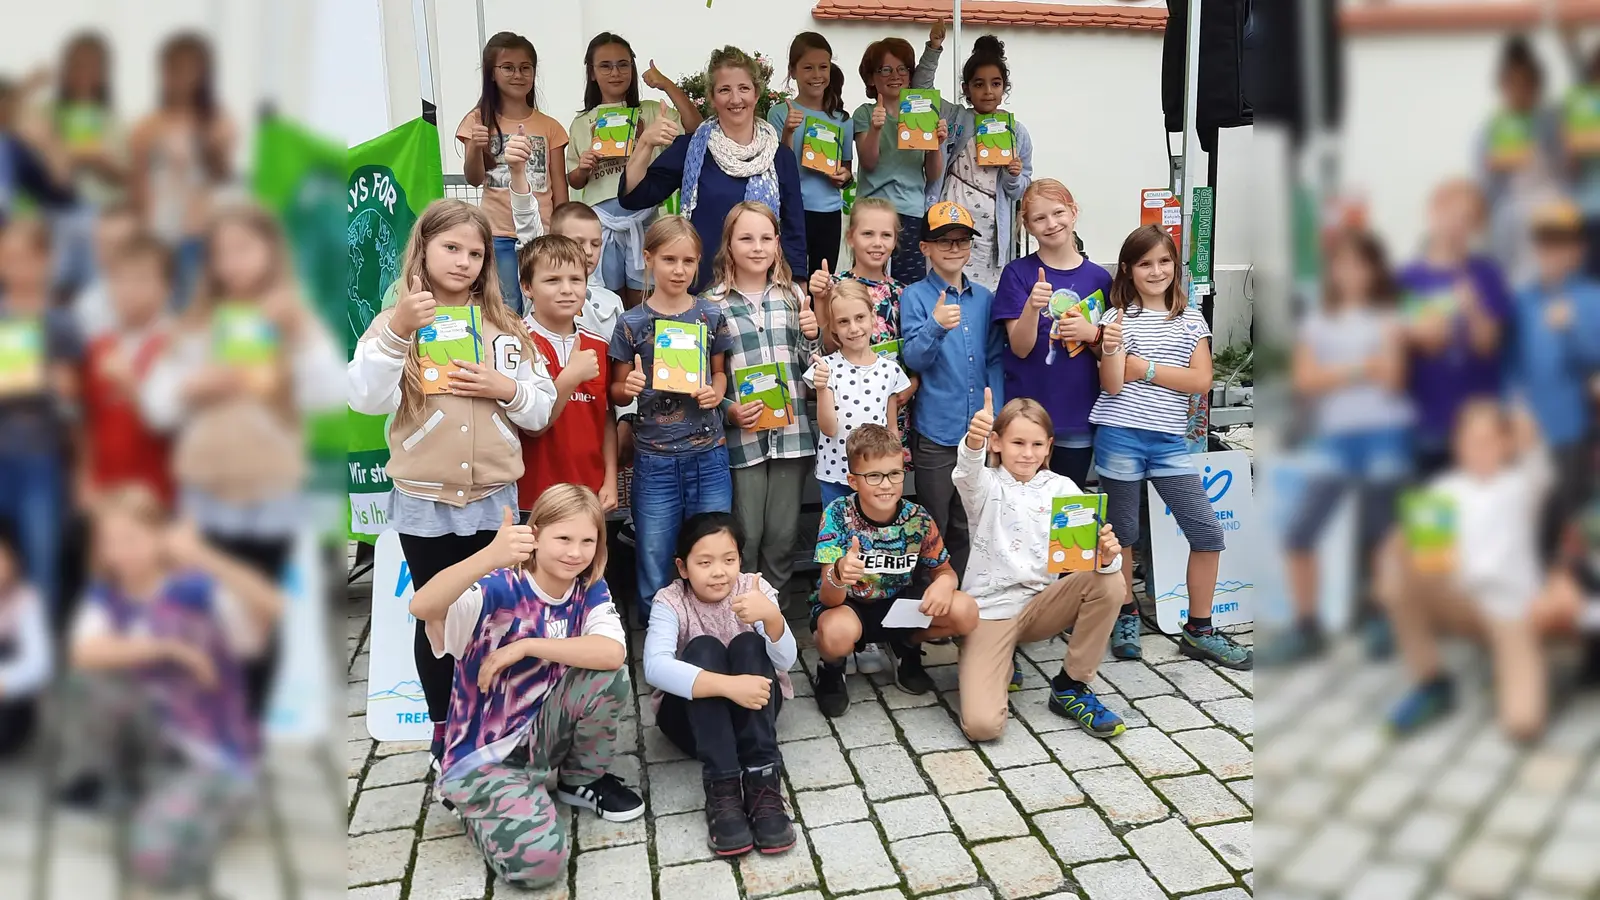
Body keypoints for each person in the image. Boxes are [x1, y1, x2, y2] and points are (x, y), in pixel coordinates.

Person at [348, 199, 558, 773]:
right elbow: (364, 398)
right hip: (424, 502)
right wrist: (396, 333)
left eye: (475, 252)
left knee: (497, 616)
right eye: (451, 248)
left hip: (494, 502)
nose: (464, 261)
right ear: (424, 250)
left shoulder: (507, 328)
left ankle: (501, 726)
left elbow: (540, 410)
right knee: (438, 619)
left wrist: (504, 388)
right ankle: (447, 736)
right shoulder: (396, 326)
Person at [139, 203, 344, 716]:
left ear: (271, 253)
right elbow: (156, 404)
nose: (233, 263)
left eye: (245, 249)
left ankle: (245, 725)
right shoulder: (196, 324)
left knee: (257, 613)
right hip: (206, 487)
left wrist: (298, 333)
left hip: (271, 489)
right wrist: (195, 385)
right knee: (202, 611)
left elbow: (329, 395)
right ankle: (201, 724)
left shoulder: (293, 317)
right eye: (221, 252)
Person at [408, 486, 644, 887]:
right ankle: (474, 804)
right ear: (535, 535)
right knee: (540, 867)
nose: (576, 552)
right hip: (485, 756)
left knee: (608, 677)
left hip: (540, 735)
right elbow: (423, 607)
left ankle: (580, 780)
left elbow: (611, 654)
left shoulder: (588, 586)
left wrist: (527, 646)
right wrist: (488, 557)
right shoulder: (500, 587)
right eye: (564, 538)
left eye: (588, 540)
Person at [63, 486, 282, 890]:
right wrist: (170, 648)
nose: (119, 552)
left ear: (160, 537)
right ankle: (130, 785)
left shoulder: (197, 592)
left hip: (211, 752)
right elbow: (82, 653)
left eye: (131, 538)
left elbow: (269, 606)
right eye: (109, 542)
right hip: (155, 737)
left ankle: (203, 805)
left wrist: (201, 555)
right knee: (87, 684)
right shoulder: (108, 596)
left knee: (153, 863)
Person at [1092, 225, 1252, 669]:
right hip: (1120, 434)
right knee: (1122, 534)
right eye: (1145, 263)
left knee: (1206, 532)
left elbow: (1201, 381)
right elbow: (1110, 382)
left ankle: (1199, 629)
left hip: (1168, 443)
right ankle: (1124, 612)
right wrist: (1114, 354)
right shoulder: (1115, 318)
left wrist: (1142, 367)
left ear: (1175, 267)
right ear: (1128, 269)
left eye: (1164, 262)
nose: (1156, 270)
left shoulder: (1191, 318)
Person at [1270, 229, 1414, 663]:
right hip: (1335, 440)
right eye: (1342, 264)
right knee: (1300, 533)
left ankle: (1384, 617)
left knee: (1381, 536)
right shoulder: (1317, 321)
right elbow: (1305, 381)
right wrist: (1361, 367)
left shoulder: (1389, 318)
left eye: (1359, 263)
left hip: (1385, 434)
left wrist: (1336, 371)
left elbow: (1393, 378)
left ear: (1374, 269)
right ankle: (1306, 625)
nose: (1349, 272)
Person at [1377, 402, 1559, 740]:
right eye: (1471, 441)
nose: (1480, 450)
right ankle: (1431, 683)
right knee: (1399, 561)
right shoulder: (1446, 489)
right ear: (1458, 445)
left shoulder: (1522, 484)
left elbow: (1533, 446)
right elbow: (1430, 559)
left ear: (1506, 444)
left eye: (1489, 441)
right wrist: (1402, 555)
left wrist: (1520, 416)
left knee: (1523, 724)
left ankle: (1507, 668)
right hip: (1460, 600)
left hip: (1510, 613)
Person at [953, 395, 1126, 740]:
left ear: (1048, 447)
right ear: (998, 443)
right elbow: (967, 470)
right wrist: (974, 440)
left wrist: (1107, 557)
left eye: (1036, 444)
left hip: (1041, 604)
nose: (1027, 453)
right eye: (1017, 442)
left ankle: (1070, 686)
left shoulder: (1061, 488)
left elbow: (1089, 553)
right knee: (982, 726)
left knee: (1111, 581)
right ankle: (991, 654)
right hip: (990, 611)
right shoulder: (986, 485)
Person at [643, 512, 797, 856]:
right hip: (692, 724)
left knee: (748, 644)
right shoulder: (671, 600)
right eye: (705, 562)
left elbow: (786, 662)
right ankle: (723, 787)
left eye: (729, 560)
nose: (719, 571)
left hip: (755, 711)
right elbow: (654, 667)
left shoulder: (754, 590)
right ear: (683, 567)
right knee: (703, 648)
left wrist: (771, 616)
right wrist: (728, 687)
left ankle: (763, 781)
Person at [607, 216, 733, 621]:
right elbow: (614, 390)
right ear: (648, 259)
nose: (679, 270)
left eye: (688, 261)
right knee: (655, 553)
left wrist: (716, 389)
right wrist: (629, 387)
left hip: (708, 455)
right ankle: (659, 637)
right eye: (669, 260)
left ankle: (710, 627)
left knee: (711, 547)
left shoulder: (709, 316)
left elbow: (719, 371)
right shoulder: (631, 322)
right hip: (655, 460)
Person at [810, 424, 980, 716]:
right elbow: (829, 599)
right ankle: (831, 668)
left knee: (965, 610)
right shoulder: (837, 514)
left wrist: (944, 583)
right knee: (835, 631)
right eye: (874, 476)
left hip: (899, 605)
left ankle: (906, 647)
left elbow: (946, 571)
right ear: (853, 480)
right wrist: (838, 574)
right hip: (851, 606)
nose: (886, 484)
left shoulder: (918, 517)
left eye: (894, 474)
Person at [619, 46, 805, 293]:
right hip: (701, 290)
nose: (735, 99)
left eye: (744, 88)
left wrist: (800, 291)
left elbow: (794, 230)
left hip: (763, 293)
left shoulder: (780, 157)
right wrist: (646, 143)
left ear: (756, 93)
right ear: (712, 97)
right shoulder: (692, 149)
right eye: (725, 90)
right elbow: (634, 197)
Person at [707, 202, 819, 600]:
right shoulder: (711, 305)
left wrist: (813, 335)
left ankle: (775, 617)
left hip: (792, 436)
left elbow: (813, 369)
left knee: (782, 536)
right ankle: (739, 614)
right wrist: (728, 411)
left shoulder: (794, 297)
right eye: (746, 238)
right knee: (747, 533)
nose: (757, 247)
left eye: (766, 238)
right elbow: (704, 377)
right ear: (729, 245)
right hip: (744, 436)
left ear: (777, 244)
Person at [901, 200, 1001, 579]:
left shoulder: (985, 299)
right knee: (934, 522)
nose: (955, 248)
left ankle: (958, 597)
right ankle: (928, 599)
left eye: (962, 240)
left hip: (977, 432)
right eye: (944, 241)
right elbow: (914, 359)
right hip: (936, 433)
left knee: (966, 521)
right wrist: (936, 325)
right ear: (924, 247)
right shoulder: (915, 297)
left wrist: (997, 418)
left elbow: (994, 359)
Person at [566, 32, 702, 307]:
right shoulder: (582, 123)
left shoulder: (651, 111)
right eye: (605, 66)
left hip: (646, 219)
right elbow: (575, 181)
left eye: (623, 64)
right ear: (592, 72)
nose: (615, 72)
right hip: (602, 225)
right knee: (606, 303)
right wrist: (584, 167)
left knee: (646, 301)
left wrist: (665, 84)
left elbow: (696, 129)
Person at [993, 179, 1109, 486]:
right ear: (1027, 226)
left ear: (1073, 213)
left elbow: (1108, 351)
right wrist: (1032, 306)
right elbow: (1019, 347)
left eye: (1058, 213)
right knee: (1019, 507)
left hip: (1077, 416)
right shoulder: (1017, 273)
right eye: (1039, 218)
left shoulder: (1100, 278)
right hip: (1025, 421)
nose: (1051, 223)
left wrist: (1091, 334)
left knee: (1064, 509)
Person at [1396, 179, 1512, 476]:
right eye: (1453, 214)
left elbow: (1488, 344)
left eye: (1469, 220)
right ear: (1433, 211)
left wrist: (1472, 307)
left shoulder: (1487, 274)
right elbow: (1406, 344)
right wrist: (1420, 333)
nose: (1458, 226)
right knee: (1433, 516)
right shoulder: (1407, 279)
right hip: (1427, 421)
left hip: (1480, 427)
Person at [1504, 198, 1600, 552]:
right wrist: (1514, 408)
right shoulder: (1521, 300)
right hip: (1527, 428)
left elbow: (1595, 362)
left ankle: (1568, 597)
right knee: (1526, 519)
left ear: (1579, 249)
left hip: (1571, 428)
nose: (1553, 251)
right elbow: (1509, 363)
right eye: (1545, 243)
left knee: (1569, 520)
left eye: (1562, 243)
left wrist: (1572, 328)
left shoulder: (1593, 298)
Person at [0, 217, 81, 612]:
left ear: (48, 262)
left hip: (41, 455)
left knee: (40, 552)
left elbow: (72, 398)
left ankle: (42, 647)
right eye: (10, 258)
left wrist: (49, 379)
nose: (20, 268)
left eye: (30, 259)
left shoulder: (61, 321)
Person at [459, 31, 569, 312]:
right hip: (497, 233)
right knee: (505, 305)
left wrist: (561, 233)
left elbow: (559, 186)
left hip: (540, 232)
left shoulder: (550, 127)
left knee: (542, 304)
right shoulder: (477, 119)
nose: (518, 75)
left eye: (525, 68)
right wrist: (473, 148)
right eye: (508, 68)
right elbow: (473, 179)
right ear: (492, 73)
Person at [913, 34, 1032, 290]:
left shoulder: (1017, 132)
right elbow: (920, 90)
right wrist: (934, 48)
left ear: (1004, 88)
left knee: (985, 297)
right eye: (979, 84)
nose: (988, 91)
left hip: (991, 232)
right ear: (966, 88)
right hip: (950, 219)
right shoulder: (956, 117)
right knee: (945, 288)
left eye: (996, 83)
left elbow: (1019, 190)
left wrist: (1014, 174)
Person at [126, 33, 235, 309]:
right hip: (159, 229)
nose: (183, 77)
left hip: (201, 229)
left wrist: (210, 145)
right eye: (175, 68)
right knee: (162, 306)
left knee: (198, 304)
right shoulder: (147, 126)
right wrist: (141, 232)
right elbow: (137, 182)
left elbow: (223, 177)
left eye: (191, 69)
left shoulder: (218, 120)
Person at [807, 196, 918, 456]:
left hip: (889, 409)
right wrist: (821, 300)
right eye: (868, 234)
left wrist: (913, 384)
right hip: (845, 411)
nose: (877, 243)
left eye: (886, 235)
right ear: (850, 237)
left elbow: (914, 352)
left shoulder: (904, 294)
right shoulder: (834, 287)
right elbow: (828, 345)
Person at [515, 234, 617, 513]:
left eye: (576, 279)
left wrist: (610, 479)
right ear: (527, 287)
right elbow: (531, 426)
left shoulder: (600, 345)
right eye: (552, 280)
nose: (567, 289)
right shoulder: (515, 342)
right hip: (532, 495)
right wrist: (571, 376)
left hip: (589, 493)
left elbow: (606, 417)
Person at [79, 232, 175, 509]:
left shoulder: (177, 343)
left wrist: (131, 385)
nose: (128, 289)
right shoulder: (98, 345)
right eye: (118, 279)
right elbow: (88, 422)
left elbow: (172, 423)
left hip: (159, 495)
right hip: (104, 493)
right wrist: (84, 480)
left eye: (141, 279)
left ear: (166, 287)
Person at [853, 25, 948, 286]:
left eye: (902, 69)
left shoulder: (923, 112)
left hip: (911, 212)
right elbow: (869, 162)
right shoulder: (864, 113)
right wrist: (875, 128)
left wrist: (936, 143)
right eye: (885, 69)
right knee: (868, 285)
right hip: (872, 210)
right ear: (871, 78)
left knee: (909, 287)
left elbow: (932, 174)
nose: (895, 75)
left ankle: (906, 329)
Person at [804, 280, 910, 509]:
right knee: (837, 537)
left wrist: (893, 472)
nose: (853, 328)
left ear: (873, 317)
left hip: (877, 477)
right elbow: (829, 428)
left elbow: (891, 429)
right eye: (843, 322)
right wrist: (822, 389)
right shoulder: (826, 367)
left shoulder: (890, 370)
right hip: (835, 474)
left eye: (859, 317)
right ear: (833, 328)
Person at [1479, 35, 1562, 287]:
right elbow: (1483, 193)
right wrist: (1491, 168)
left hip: (1554, 211)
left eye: (1527, 84)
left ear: (1538, 86)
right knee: (1513, 280)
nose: (1520, 92)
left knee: (1557, 279)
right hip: (1511, 219)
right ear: (1502, 86)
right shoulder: (1490, 130)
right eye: (1511, 84)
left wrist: (1566, 152)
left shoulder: (1554, 121)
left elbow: (1571, 176)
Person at [770, 32, 854, 275]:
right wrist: (788, 131)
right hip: (790, 212)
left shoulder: (843, 120)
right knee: (788, 280)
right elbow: (778, 169)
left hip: (829, 213)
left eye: (823, 67)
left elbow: (847, 171)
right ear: (793, 71)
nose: (817, 75)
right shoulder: (779, 113)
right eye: (808, 67)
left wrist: (843, 177)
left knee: (822, 284)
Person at [0, 521, 50, 759]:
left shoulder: (26, 601)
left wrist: (4, 683)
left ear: (14, 561)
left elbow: (39, 665)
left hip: (10, 700)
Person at [548, 201, 625, 342]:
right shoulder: (543, 289)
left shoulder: (613, 301)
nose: (588, 252)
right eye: (578, 243)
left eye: (595, 244)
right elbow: (526, 222)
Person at [70, 201, 139, 342]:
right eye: (104, 243)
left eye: (119, 243)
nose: (111, 252)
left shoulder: (160, 294)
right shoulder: (86, 305)